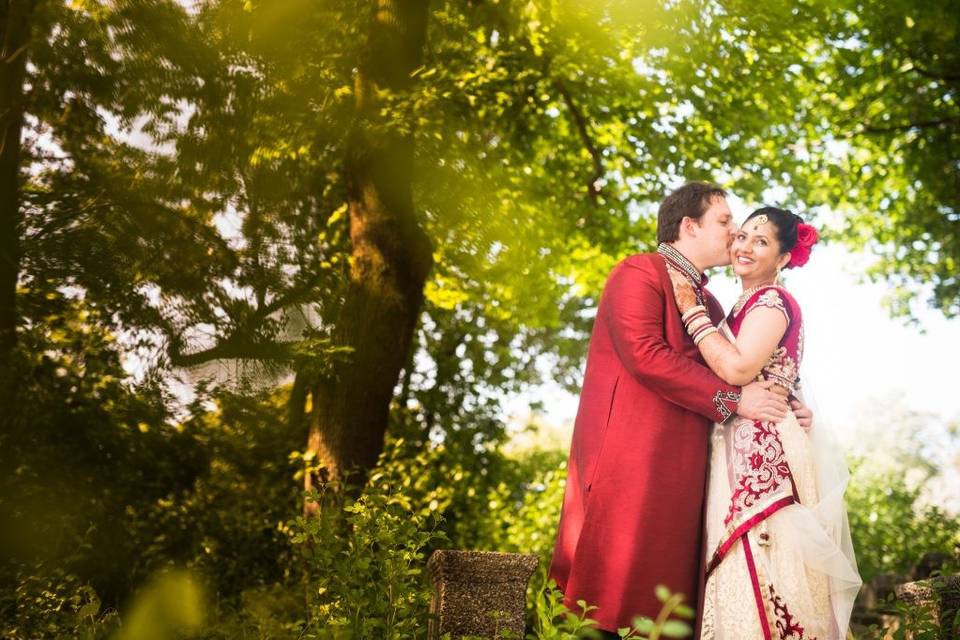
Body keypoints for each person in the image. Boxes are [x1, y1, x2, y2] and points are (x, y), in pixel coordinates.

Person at [548, 183, 812, 636]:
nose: (735, 235)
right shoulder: (639, 272)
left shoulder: (710, 304)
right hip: (631, 464)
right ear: (689, 226)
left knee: (671, 612)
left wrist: (790, 402)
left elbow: (752, 363)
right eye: (727, 222)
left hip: (693, 474)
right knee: (611, 604)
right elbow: (645, 353)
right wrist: (735, 400)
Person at [668, 207, 861, 639]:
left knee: (771, 564)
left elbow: (738, 369)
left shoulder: (772, 301)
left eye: (762, 241)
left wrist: (689, 310)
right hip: (743, 439)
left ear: (784, 259)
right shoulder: (744, 304)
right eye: (743, 236)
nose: (745, 247)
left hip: (763, 450)